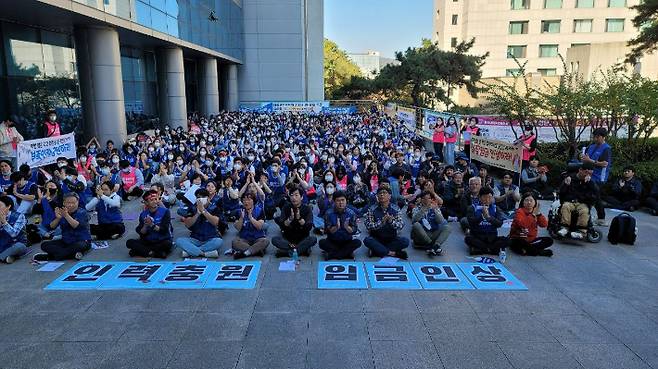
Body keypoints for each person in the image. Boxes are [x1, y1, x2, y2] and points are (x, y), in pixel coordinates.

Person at [34, 192, 92, 261]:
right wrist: (58, 218)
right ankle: (71, 254)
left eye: (73, 203)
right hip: (66, 241)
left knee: (79, 246)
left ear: (77, 202)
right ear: (64, 203)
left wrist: (66, 216)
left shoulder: (82, 212)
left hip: (81, 241)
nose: (71, 205)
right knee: (44, 245)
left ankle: (51, 257)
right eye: (68, 203)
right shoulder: (62, 211)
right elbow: (52, 227)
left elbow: (76, 225)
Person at [176, 188, 223, 258]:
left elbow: (215, 222)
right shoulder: (192, 208)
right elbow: (187, 224)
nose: (201, 199)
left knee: (219, 241)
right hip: (195, 239)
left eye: (203, 197)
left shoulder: (215, 208)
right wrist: (198, 213)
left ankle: (191, 252)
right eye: (198, 197)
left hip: (210, 238)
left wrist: (203, 211)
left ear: (208, 198)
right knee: (179, 241)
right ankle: (205, 254)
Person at [363, 187, 409, 259]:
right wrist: (381, 223)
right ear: (377, 196)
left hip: (391, 239)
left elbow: (400, 225)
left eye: (384, 193)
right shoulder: (372, 209)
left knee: (405, 241)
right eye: (380, 193)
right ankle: (392, 253)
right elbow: (369, 226)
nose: (382, 195)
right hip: (377, 238)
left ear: (389, 196)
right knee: (367, 240)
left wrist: (391, 222)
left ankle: (377, 251)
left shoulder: (396, 209)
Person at [464, 187, 509, 259]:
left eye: (490, 197)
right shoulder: (472, 207)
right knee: (468, 239)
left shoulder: (495, 208)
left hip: (492, 237)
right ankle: (490, 249)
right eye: (485, 197)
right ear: (479, 197)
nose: (487, 200)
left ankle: (482, 249)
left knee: (506, 240)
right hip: (478, 235)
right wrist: (482, 217)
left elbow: (499, 224)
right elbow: (471, 223)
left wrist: (489, 218)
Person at [126, 190, 172, 258]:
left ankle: (145, 252)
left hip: (162, 240)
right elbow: (141, 233)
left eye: (156, 199)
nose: (155, 202)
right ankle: (154, 253)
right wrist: (145, 225)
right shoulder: (143, 214)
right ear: (146, 202)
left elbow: (164, 230)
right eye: (151, 200)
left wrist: (152, 225)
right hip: (149, 240)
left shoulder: (165, 211)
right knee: (129, 242)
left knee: (167, 244)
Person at [557, 162, 598, 240]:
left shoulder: (590, 182)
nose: (587, 175)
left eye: (590, 174)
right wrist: (566, 185)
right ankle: (564, 228)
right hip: (570, 201)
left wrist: (590, 184)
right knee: (566, 206)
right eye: (586, 172)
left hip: (582, 203)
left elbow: (595, 196)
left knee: (585, 211)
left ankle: (581, 231)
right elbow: (561, 193)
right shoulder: (570, 178)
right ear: (580, 170)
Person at [273, 186, 316, 257]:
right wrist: (290, 219)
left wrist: (299, 219)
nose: (293, 198)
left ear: (301, 197)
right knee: (275, 239)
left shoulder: (307, 208)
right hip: (288, 239)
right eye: (291, 195)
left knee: (313, 239)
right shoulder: (286, 207)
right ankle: (300, 250)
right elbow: (282, 224)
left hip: (303, 238)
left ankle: (288, 252)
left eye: (296, 195)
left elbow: (309, 227)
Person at [320, 190, 361, 260]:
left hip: (347, 241)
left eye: (343, 200)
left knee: (358, 242)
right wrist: (336, 227)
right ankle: (346, 254)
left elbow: (354, 231)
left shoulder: (351, 213)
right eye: (338, 200)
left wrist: (347, 227)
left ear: (346, 201)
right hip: (332, 241)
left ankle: (332, 255)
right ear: (334, 202)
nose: (341, 203)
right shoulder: (328, 213)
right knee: (322, 242)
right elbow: (327, 231)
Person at [582, 127, 611, 226]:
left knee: (595, 197)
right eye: (594, 137)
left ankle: (600, 218)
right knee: (591, 195)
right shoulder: (591, 147)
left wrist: (590, 161)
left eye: (597, 137)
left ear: (603, 137)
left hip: (599, 177)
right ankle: (588, 216)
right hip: (588, 174)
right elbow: (586, 159)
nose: (595, 139)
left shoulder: (606, 148)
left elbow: (604, 164)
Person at [509, 192, 553, 257]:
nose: (529, 202)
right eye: (526, 200)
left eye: (531, 201)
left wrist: (538, 214)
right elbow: (523, 224)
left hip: (531, 240)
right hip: (519, 238)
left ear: (535, 203)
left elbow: (544, 224)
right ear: (523, 202)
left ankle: (528, 250)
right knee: (518, 243)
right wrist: (532, 215)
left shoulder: (535, 212)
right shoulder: (519, 211)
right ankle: (537, 251)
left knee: (549, 240)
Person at [411, 191, 451, 256]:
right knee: (416, 224)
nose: (427, 200)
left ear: (431, 199)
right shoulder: (416, 209)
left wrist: (435, 211)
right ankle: (431, 245)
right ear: (421, 200)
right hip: (421, 235)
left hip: (433, 233)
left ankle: (436, 245)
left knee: (447, 227)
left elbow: (442, 222)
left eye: (429, 198)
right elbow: (414, 221)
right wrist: (424, 209)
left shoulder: (435, 208)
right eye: (425, 198)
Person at [231, 192, 269, 259]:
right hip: (244, 239)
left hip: (258, 238)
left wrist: (251, 218)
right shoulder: (239, 212)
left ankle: (245, 253)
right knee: (235, 242)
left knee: (265, 241)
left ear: (253, 201)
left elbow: (259, 226)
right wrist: (241, 218)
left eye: (249, 200)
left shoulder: (260, 211)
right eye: (244, 200)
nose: (246, 202)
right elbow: (238, 228)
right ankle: (256, 251)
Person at [0, 195, 27, 263]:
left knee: (20, 247)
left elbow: (14, 234)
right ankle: (8, 257)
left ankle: (3, 257)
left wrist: (4, 222)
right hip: (2, 245)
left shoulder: (19, 216)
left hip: (14, 244)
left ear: (8, 206)